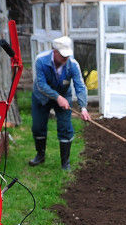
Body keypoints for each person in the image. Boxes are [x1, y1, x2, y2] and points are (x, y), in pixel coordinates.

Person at [29, 36, 91, 171]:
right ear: (54, 51)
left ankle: (65, 163)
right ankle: (40, 156)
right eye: (63, 56)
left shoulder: (73, 65)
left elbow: (80, 86)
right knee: (38, 127)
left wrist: (83, 107)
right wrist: (57, 97)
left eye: (67, 56)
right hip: (41, 97)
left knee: (65, 127)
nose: (65, 59)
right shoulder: (41, 60)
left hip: (64, 97)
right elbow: (41, 84)